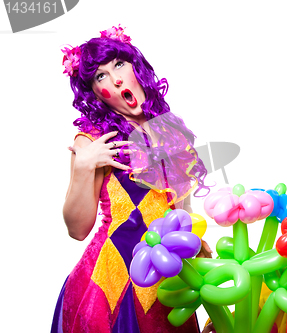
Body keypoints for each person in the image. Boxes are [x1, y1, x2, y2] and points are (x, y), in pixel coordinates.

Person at [52, 25, 211, 333]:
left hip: (165, 276)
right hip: (111, 277)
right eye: (101, 76)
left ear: (136, 67)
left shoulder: (172, 131)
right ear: (95, 93)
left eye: (119, 65)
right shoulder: (94, 140)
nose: (116, 79)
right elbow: (77, 229)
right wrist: (84, 167)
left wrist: (197, 248)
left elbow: (181, 213)